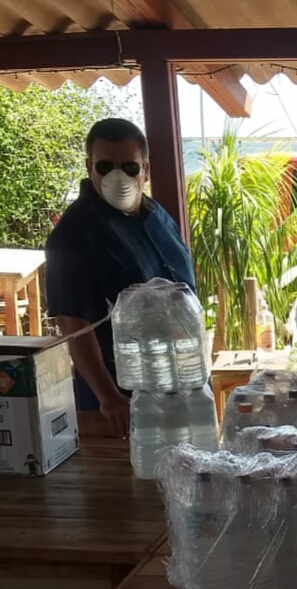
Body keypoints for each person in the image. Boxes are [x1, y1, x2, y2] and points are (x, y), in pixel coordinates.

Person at [45, 118, 196, 438]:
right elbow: (73, 323)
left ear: (146, 170)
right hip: (124, 401)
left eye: (129, 167)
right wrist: (109, 397)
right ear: (90, 168)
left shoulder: (156, 215)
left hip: (181, 382)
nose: (118, 176)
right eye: (105, 166)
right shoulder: (74, 233)